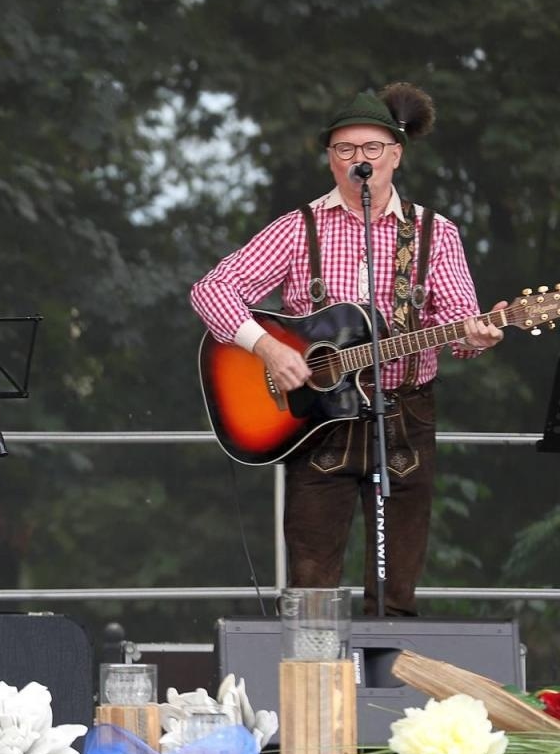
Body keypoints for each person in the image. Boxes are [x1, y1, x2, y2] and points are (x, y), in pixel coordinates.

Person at [191, 82, 505, 615]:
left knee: (398, 585)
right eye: (345, 149)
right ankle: (316, 687)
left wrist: (479, 333)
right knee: (311, 585)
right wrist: (266, 347)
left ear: (396, 155)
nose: (360, 160)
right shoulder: (298, 229)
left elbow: (457, 324)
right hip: (319, 421)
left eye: (372, 148)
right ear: (331, 159)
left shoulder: (435, 233)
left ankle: (386, 686)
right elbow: (211, 289)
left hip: (405, 413)